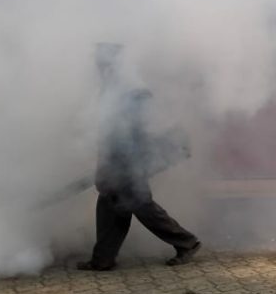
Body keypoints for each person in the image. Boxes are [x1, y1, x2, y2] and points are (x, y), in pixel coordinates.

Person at [77, 45, 201, 271]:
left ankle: (187, 242)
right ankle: (103, 258)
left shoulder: (131, 90)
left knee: (141, 206)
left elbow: (135, 133)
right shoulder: (113, 87)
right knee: (110, 205)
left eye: (101, 61)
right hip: (118, 160)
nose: (97, 66)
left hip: (128, 162)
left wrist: (120, 166)